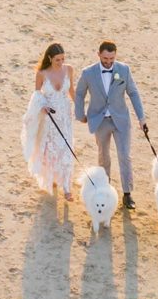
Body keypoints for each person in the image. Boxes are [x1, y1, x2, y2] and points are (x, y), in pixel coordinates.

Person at [75, 40, 146, 210]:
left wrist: (141, 118)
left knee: (124, 155)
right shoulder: (88, 73)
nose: (108, 62)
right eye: (105, 58)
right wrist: (80, 115)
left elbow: (133, 93)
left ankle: (127, 194)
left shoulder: (124, 70)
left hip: (121, 119)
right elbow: (79, 93)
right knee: (103, 156)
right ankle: (104, 190)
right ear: (98, 54)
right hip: (100, 120)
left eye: (111, 58)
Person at [21, 42, 75, 201]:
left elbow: (72, 91)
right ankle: (52, 178)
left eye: (63, 59)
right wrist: (42, 107)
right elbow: (37, 96)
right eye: (57, 60)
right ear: (50, 58)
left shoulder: (69, 69)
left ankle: (67, 187)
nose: (61, 63)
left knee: (66, 147)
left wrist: (80, 108)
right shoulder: (41, 74)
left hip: (65, 116)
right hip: (49, 117)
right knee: (51, 150)